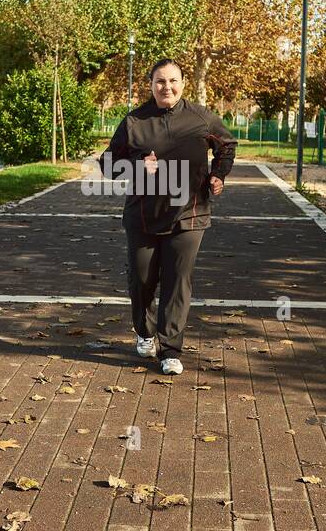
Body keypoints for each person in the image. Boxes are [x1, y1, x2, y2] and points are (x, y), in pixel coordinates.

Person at [101, 58, 237, 375]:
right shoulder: (135, 121)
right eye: (160, 81)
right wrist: (136, 168)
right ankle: (145, 332)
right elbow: (108, 165)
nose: (167, 87)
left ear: (183, 83)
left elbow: (227, 145)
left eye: (173, 80)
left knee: (177, 283)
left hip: (189, 214)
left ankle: (170, 351)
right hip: (143, 216)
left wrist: (219, 175)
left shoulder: (201, 118)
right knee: (141, 282)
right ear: (150, 85)